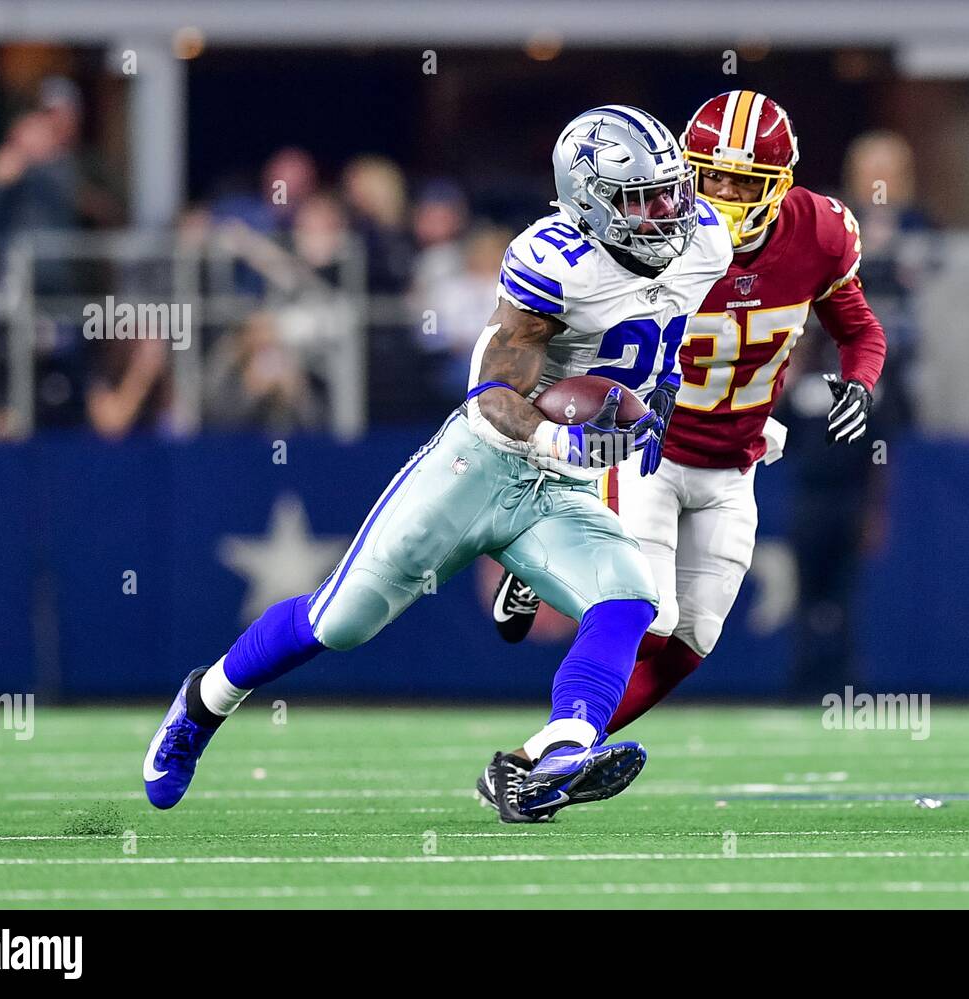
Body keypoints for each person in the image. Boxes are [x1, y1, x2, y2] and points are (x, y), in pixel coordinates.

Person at [142, 105, 732, 821]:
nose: (668, 211)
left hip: (561, 483)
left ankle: (564, 749)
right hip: (481, 464)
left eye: (672, 190)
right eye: (643, 199)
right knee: (340, 619)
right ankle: (204, 703)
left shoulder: (704, 240)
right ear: (589, 203)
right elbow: (491, 397)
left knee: (632, 598)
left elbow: (670, 321)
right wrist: (562, 441)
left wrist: (661, 389)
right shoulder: (554, 264)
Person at [480, 91, 887, 820]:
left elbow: (859, 326)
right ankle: (544, 577)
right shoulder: (661, 234)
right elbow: (572, 327)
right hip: (647, 449)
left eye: (743, 181)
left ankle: (541, 758)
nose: (724, 195)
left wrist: (860, 380)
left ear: (780, 184)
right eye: (712, 177)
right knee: (646, 610)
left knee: (693, 635)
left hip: (737, 459)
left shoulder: (820, 234)